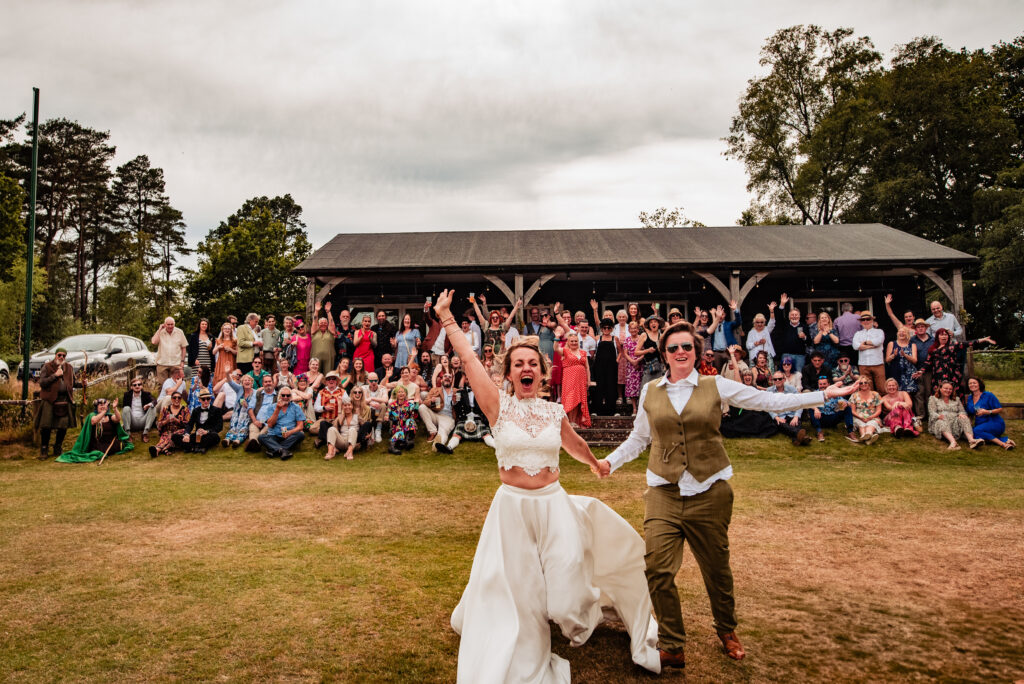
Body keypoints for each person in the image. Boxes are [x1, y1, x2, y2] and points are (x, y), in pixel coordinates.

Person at [432, 290, 661, 681]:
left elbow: (575, 443)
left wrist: (596, 464)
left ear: (542, 373)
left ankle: (586, 611)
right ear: (509, 373)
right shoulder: (496, 405)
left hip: (555, 506)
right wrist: (446, 317)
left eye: (532, 364)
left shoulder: (554, 411)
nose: (525, 368)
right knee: (520, 599)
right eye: (518, 363)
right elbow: (469, 358)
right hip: (512, 511)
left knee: (568, 594)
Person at [599, 319, 855, 667]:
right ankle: (672, 643)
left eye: (686, 347)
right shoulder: (650, 391)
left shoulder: (715, 385)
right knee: (657, 569)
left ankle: (727, 629)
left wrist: (822, 395)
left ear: (696, 352)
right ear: (664, 354)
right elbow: (640, 438)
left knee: (717, 570)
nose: (680, 352)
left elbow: (765, 400)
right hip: (663, 491)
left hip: (709, 492)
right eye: (673, 348)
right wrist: (609, 463)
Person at [917, 329, 995, 399]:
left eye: (945, 335)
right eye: (941, 335)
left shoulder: (953, 345)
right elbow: (927, 362)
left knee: (955, 394)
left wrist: (984, 339)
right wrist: (921, 371)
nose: (944, 336)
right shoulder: (932, 349)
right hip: (938, 376)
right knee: (938, 394)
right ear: (937, 337)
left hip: (953, 374)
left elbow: (968, 343)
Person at [56, 398, 133, 463]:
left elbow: (118, 419)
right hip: (98, 443)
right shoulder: (92, 415)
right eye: (100, 405)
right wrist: (103, 412)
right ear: (96, 407)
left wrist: (115, 408)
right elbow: (94, 421)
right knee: (98, 452)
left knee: (120, 445)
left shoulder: (109, 416)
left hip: (110, 442)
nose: (102, 406)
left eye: (104, 405)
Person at [36, 348, 78, 459]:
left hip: (64, 400)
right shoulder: (47, 366)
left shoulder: (69, 368)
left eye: (64, 356)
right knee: (46, 426)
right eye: (59, 355)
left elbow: (73, 383)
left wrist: (82, 384)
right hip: (50, 400)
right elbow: (42, 383)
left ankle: (57, 447)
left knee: (63, 426)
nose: (61, 357)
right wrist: (55, 375)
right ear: (55, 355)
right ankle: (44, 449)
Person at [719, 370, 780, 439]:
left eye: (749, 375)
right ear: (743, 378)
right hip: (742, 410)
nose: (747, 377)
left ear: (752, 377)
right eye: (745, 376)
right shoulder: (739, 388)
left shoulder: (755, 388)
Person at [928, 381, 982, 450]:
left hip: (954, 424)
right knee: (941, 421)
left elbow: (962, 411)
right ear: (940, 389)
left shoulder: (956, 399)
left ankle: (972, 441)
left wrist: (961, 414)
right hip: (940, 423)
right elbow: (931, 412)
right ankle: (953, 443)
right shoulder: (933, 398)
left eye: (950, 389)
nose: (948, 390)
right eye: (946, 388)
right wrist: (938, 416)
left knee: (964, 417)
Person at [965, 377, 1015, 449]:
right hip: (980, 424)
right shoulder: (969, 398)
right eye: (970, 383)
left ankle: (1003, 444)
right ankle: (1006, 440)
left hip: (994, 422)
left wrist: (987, 412)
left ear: (979, 384)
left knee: (976, 431)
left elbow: (999, 409)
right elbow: (969, 412)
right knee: (972, 433)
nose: (972, 385)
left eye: (974, 383)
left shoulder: (988, 395)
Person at [258, 386, 306, 460]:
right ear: (279, 396)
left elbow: (300, 426)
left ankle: (274, 450)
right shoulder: (272, 407)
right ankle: (283, 450)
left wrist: (290, 432)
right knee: (261, 437)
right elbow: (270, 425)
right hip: (274, 435)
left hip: (289, 436)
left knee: (301, 435)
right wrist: (277, 409)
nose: (285, 397)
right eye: (283, 395)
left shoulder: (296, 407)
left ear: (291, 397)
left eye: (288, 395)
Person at [557, 330, 591, 428]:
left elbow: (587, 367)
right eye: (572, 341)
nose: (574, 343)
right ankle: (570, 421)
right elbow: (555, 348)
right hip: (569, 378)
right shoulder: (565, 351)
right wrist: (556, 338)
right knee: (570, 398)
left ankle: (575, 421)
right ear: (568, 342)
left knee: (579, 400)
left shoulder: (583, 352)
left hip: (581, 379)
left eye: (575, 341)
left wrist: (588, 380)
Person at [766, 372, 812, 445]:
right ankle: (801, 437)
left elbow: (800, 402)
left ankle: (796, 440)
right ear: (773, 380)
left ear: (784, 379)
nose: (777, 380)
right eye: (775, 379)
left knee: (796, 423)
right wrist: (776, 417)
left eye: (780, 379)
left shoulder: (792, 389)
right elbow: (768, 406)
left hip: (792, 414)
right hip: (780, 416)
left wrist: (796, 416)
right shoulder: (769, 391)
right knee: (783, 425)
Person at [173, 388, 224, 453]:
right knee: (175, 437)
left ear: (210, 399)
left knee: (215, 437)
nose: (206, 401)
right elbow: (190, 424)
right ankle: (197, 447)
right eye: (203, 399)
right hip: (197, 436)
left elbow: (219, 427)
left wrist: (207, 431)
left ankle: (194, 447)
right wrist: (187, 434)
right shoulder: (196, 411)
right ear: (199, 400)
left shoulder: (216, 410)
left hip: (209, 435)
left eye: (208, 399)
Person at [809, 375, 856, 442]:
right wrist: (815, 409)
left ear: (829, 384)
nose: (822, 386)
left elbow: (847, 402)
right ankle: (819, 432)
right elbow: (807, 403)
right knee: (811, 409)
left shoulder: (834, 392)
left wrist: (846, 403)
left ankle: (850, 432)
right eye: (820, 384)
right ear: (818, 385)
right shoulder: (815, 393)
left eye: (824, 384)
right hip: (820, 418)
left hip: (833, 417)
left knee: (847, 408)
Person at [420, 372, 457, 449]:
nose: (447, 378)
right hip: (436, 414)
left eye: (449, 377)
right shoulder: (435, 390)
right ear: (441, 380)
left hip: (448, 417)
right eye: (445, 376)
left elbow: (462, 404)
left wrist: (456, 402)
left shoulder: (456, 391)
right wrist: (431, 401)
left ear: (452, 380)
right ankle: (432, 431)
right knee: (422, 407)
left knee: (443, 432)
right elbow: (425, 402)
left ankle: (437, 445)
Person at [852, 310, 886, 395]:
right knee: (866, 388)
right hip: (863, 364)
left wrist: (864, 344)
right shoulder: (857, 333)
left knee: (882, 388)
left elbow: (878, 341)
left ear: (872, 320)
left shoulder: (879, 331)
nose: (866, 321)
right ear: (861, 322)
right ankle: (870, 407)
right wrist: (871, 345)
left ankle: (883, 408)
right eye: (863, 320)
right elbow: (855, 346)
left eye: (868, 319)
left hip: (878, 363)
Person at [772, 294, 808, 373]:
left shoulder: (804, 326)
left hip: (800, 356)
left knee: (799, 374)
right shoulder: (785, 325)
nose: (794, 317)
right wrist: (782, 304)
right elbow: (779, 317)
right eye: (792, 315)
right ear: (789, 317)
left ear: (799, 316)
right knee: (786, 374)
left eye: (796, 315)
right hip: (786, 355)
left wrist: (805, 337)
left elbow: (809, 342)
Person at [150, 390, 190, 457]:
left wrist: (176, 420)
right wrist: (166, 421)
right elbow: (159, 425)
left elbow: (188, 425)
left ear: (181, 399)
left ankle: (158, 449)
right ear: (171, 399)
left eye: (179, 398)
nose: (176, 399)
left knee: (172, 436)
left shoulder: (185, 410)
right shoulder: (165, 409)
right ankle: (161, 449)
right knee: (166, 436)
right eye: (174, 398)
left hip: (179, 432)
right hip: (167, 431)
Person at [591, 319, 619, 415]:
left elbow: (620, 351)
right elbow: (592, 352)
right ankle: (596, 410)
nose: (606, 329)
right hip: (599, 366)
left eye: (608, 328)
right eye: (604, 328)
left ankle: (611, 411)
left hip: (611, 366)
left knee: (611, 386)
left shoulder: (615, 338)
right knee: (599, 387)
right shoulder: (597, 338)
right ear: (601, 328)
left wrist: (617, 360)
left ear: (611, 328)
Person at [245, 374, 279, 451]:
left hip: (270, 423)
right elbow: (250, 408)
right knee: (253, 430)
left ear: (273, 383)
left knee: (262, 434)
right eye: (266, 382)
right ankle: (254, 442)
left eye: (269, 381)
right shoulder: (257, 393)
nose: (268, 383)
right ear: (263, 384)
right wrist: (254, 421)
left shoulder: (278, 395)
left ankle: (254, 444)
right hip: (256, 421)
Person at [221, 373, 256, 448]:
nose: (247, 381)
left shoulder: (255, 393)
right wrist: (227, 373)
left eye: (249, 380)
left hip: (248, 415)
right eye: (245, 380)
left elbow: (255, 406)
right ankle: (227, 440)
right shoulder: (239, 389)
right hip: (237, 413)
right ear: (242, 383)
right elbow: (230, 382)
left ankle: (237, 441)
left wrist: (247, 406)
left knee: (244, 428)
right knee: (233, 427)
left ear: (252, 383)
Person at [151, 317, 188, 384]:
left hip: (176, 363)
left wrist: (182, 361)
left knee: (176, 385)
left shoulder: (179, 332)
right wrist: (159, 329)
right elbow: (154, 342)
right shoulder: (160, 332)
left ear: (174, 324)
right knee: (162, 386)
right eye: (168, 324)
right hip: (162, 363)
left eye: (172, 324)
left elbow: (184, 347)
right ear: (164, 324)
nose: (170, 326)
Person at [910, 319, 934, 421]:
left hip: (930, 370)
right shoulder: (912, 340)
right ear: (915, 329)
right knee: (919, 392)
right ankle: (920, 414)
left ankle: (930, 414)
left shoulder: (932, 340)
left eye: (922, 326)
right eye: (918, 327)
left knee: (929, 392)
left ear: (926, 328)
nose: (920, 328)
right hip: (917, 369)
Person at [885, 326, 919, 400]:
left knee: (909, 396)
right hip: (896, 372)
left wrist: (905, 355)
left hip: (908, 374)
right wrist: (894, 355)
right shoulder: (892, 343)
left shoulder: (912, 345)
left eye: (903, 332)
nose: (901, 333)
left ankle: (908, 411)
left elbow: (915, 360)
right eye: (900, 331)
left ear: (907, 334)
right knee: (896, 394)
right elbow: (887, 360)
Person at [849, 375, 883, 444]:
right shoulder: (854, 395)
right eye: (861, 383)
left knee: (872, 423)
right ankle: (866, 437)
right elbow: (852, 411)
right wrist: (860, 417)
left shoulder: (876, 394)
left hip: (873, 416)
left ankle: (868, 435)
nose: (863, 384)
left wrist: (871, 417)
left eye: (865, 382)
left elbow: (879, 410)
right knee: (861, 424)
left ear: (868, 383)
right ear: (858, 385)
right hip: (859, 416)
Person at [121, 376, 156, 441]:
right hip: (132, 421)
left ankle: (145, 433)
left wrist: (149, 404)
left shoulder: (146, 394)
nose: (137, 386)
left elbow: (154, 401)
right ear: (131, 387)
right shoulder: (127, 395)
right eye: (135, 385)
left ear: (141, 386)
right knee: (126, 408)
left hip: (144, 421)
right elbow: (125, 411)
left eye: (139, 384)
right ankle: (128, 434)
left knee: (152, 407)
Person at [386, 385, 418, 454]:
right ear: (396, 394)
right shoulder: (392, 405)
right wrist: (389, 416)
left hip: (407, 427)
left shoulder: (410, 405)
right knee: (399, 433)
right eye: (399, 392)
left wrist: (416, 406)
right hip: (397, 427)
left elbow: (415, 416)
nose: (401, 394)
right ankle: (392, 447)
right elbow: (387, 415)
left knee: (410, 420)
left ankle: (408, 440)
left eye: (403, 392)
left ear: (405, 394)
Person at [744, 302, 777, 368]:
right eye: (757, 322)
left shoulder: (767, 330)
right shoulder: (751, 332)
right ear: (754, 323)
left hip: (767, 357)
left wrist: (771, 311)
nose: (759, 324)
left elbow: (772, 322)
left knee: (769, 375)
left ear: (764, 322)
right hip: (755, 358)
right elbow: (748, 346)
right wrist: (756, 344)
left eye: (762, 322)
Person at [623, 320, 644, 414]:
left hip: (640, 365)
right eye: (631, 328)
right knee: (632, 388)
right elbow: (625, 353)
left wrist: (638, 361)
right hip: (631, 366)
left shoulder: (642, 338)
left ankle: (641, 408)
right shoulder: (627, 339)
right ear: (629, 329)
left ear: (638, 329)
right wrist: (632, 361)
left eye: (635, 328)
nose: (633, 330)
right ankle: (634, 408)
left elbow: (645, 351)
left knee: (641, 386)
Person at [638, 316, 665, 386]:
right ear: (649, 325)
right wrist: (647, 350)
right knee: (647, 389)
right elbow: (636, 352)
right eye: (651, 322)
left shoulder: (662, 336)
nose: (653, 323)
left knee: (659, 389)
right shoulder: (644, 335)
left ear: (658, 324)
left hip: (660, 367)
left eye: (655, 322)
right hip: (649, 367)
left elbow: (665, 353)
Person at [309, 307, 336, 375]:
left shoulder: (331, 332)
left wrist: (328, 312)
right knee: (315, 374)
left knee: (328, 375)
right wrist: (316, 311)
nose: (323, 324)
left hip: (329, 358)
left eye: (325, 323)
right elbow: (315, 320)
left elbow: (331, 321)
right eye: (321, 323)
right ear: (318, 324)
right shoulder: (314, 332)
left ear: (327, 324)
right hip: (315, 358)